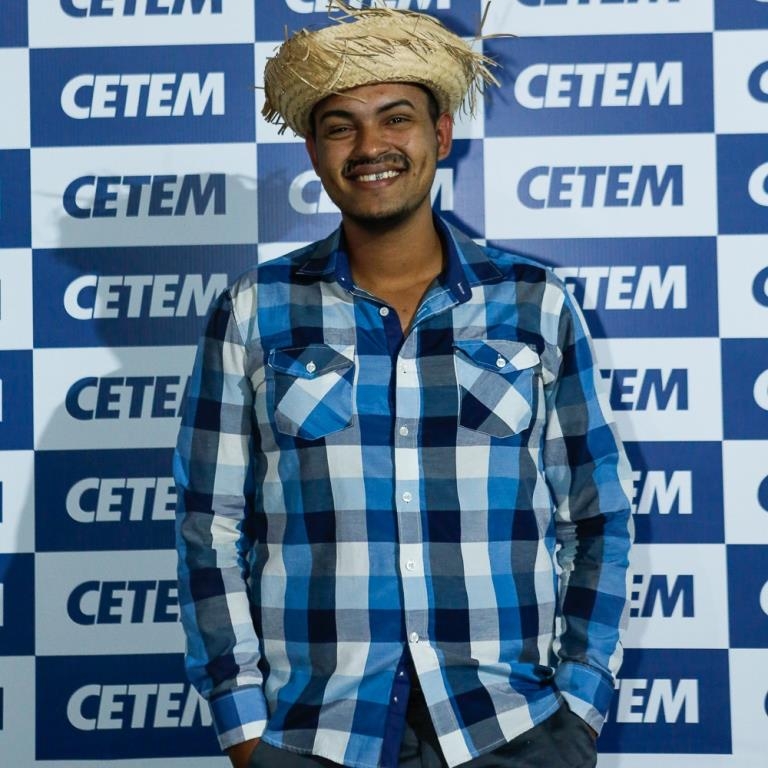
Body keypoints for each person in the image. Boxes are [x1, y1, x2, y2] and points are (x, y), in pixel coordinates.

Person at [174, 3, 633, 767]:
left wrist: (580, 702)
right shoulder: (254, 311)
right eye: (341, 127)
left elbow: (598, 514)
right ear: (314, 153)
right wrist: (243, 725)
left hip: (513, 729)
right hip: (314, 735)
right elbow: (210, 526)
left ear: (440, 134)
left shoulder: (534, 303)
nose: (370, 147)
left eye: (396, 118)